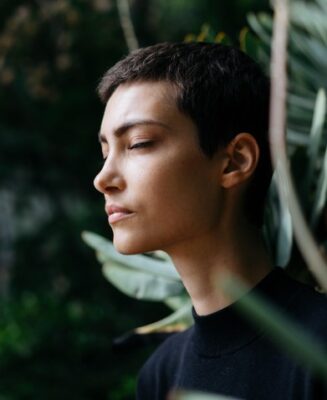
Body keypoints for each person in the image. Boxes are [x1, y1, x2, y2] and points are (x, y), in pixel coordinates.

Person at [93, 42, 327, 399]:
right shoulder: (161, 375)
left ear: (234, 161)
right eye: (105, 151)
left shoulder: (319, 346)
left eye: (138, 143)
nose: (103, 178)